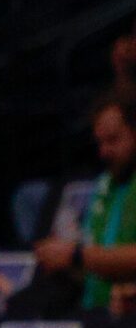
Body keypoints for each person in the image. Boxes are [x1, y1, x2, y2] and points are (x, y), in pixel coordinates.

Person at [32, 96, 134, 315]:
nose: (104, 152)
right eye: (100, 142)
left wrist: (77, 256)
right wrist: (64, 262)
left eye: (113, 140)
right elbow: (98, 256)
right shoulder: (106, 184)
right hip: (96, 316)